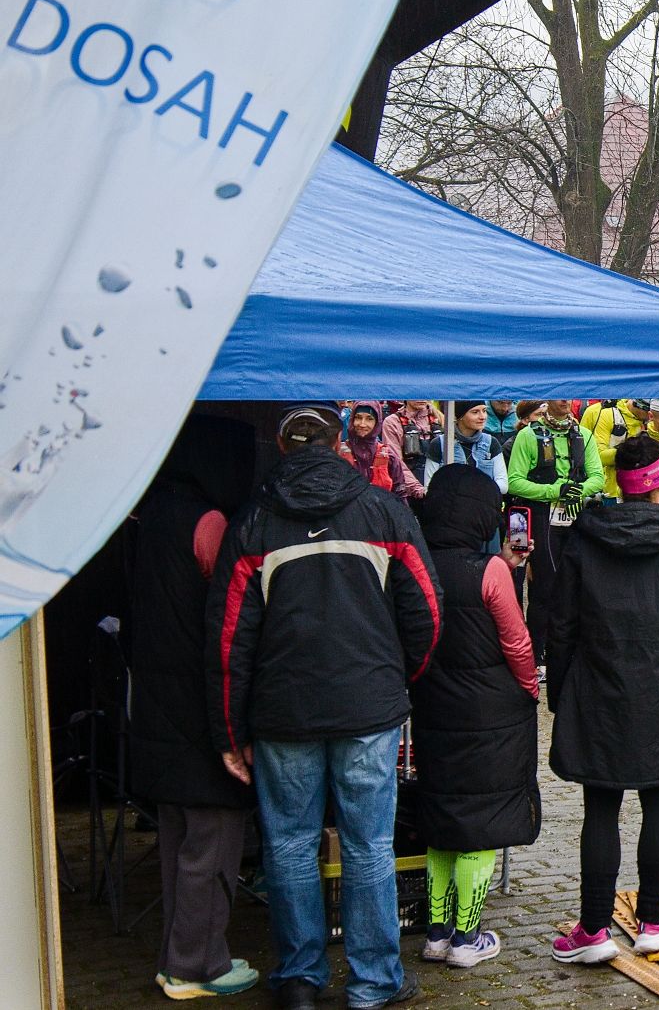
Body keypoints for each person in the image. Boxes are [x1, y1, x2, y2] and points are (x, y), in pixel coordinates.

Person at [208, 405, 443, 1010]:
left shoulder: (254, 522)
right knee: (368, 844)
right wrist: (396, 679)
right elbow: (426, 610)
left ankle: (300, 980)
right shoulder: (383, 511)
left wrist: (230, 730)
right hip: (367, 706)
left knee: (290, 844)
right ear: (340, 442)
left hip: (284, 712)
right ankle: (373, 982)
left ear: (282, 445)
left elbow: (229, 640)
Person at [548, 435, 659, 964]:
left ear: (619, 483)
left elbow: (561, 623)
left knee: (601, 805)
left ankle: (594, 927)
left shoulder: (585, 537)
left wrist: (558, 695)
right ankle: (653, 919)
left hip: (599, 683)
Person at [130, 415, 261, 1001]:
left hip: (158, 702)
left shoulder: (152, 513)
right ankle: (197, 965)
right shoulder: (209, 522)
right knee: (212, 842)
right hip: (200, 705)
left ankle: (174, 958)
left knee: (178, 841)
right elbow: (229, 618)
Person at [411, 466, 541, 971]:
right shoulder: (488, 570)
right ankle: (468, 937)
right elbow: (517, 641)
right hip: (491, 715)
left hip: (433, 706)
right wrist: (530, 687)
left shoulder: (415, 563)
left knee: (443, 816)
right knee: (482, 822)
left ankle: (436, 934)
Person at [505, 401, 603, 666]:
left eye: (569, 397)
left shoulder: (583, 434)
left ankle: (569, 650)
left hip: (574, 515)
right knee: (544, 588)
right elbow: (514, 482)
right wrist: (554, 491)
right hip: (540, 517)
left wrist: (577, 490)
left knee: (576, 585)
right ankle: (536, 655)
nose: (564, 401)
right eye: (559, 396)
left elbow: (597, 477)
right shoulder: (528, 435)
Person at [340, 403, 426, 501]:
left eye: (369, 419)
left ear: (377, 423)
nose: (362, 424)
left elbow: (400, 496)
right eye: (358, 418)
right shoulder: (339, 454)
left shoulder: (389, 457)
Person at [447, 401, 509, 492]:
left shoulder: (491, 442)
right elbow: (429, 486)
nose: (482, 417)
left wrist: (475, 491)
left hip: (484, 500)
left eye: (484, 411)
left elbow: (503, 486)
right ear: (460, 416)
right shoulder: (441, 443)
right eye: (475, 412)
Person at [582, 399, 650, 481]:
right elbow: (594, 456)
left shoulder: (653, 422)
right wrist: (629, 451)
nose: (651, 418)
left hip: (639, 482)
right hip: (607, 483)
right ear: (638, 406)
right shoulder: (598, 412)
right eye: (650, 413)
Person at [382, 402, 443, 490]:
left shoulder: (441, 419)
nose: (421, 398)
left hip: (440, 488)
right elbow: (396, 463)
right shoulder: (392, 422)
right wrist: (418, 489)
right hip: (408, 490)